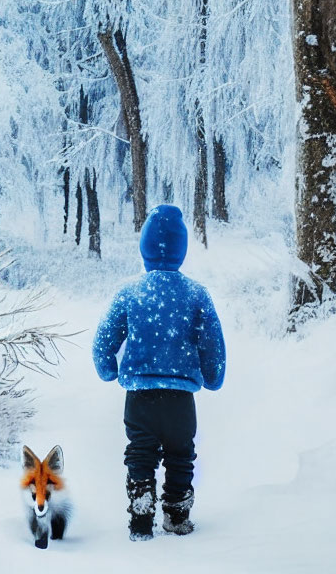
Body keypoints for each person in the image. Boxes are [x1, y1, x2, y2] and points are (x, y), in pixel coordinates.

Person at [92, 204, 226, 540]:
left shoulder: (130, 292)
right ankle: (177, 517)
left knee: (140, 454)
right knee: (181, 456)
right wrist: (213, 376)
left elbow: (103, 341)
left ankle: (140, 516)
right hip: (180, 399)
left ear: (145, 247)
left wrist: (108, 368)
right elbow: (213, 344)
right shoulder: (196, 294)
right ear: (181, 249)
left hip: (139, 398)